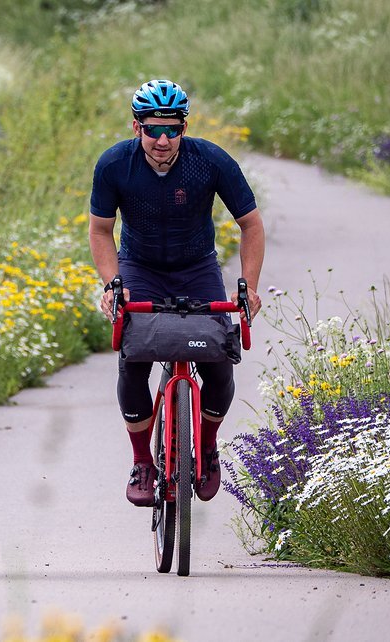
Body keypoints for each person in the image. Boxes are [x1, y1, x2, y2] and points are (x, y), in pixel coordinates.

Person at [87, 79, 264, 506]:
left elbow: (251, 225)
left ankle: (205, 446)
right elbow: (100, 230)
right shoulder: (114, 164)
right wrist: (113, 284)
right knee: (133, 360)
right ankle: (142, 462)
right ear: (136, 127)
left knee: (219, 364)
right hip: (139, 267)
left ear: (185, 127)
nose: (162, 139)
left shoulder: (210, 161)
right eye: (153, 129)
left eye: (172, 129)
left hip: (196, 266)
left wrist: (250, 289)